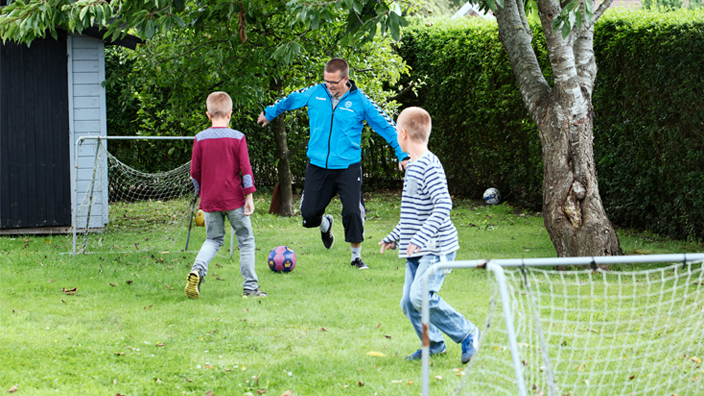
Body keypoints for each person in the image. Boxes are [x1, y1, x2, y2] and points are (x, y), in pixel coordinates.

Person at [257, 58, 409, 270]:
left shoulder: (360, 101)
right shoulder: (315, 92)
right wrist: (269, 113)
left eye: (334, 82)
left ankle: (356, 257)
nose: (329, 86)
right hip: (318, 165)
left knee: (353, 212)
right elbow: (290, 99)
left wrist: (402, 153)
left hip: (348, 166)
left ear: (346, 79)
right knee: (309, 215)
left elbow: (386, 125)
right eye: (326, 81)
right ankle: (325, 224)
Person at [379, 107, 480, 364]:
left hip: (436, 248)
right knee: (408, 303)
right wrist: (395, 237)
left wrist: (419, 239)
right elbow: (414, 214)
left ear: (402, 134)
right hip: (417, 249)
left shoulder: (429, 166)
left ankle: (468, 332)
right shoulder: (412, 166)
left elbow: (443, 206)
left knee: (420, 296)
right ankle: (433, 345)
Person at [185, 91, 267, 299]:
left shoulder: (199, 139)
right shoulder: (238, 137)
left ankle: (197, 270)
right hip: (234, 200)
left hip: (211, 200)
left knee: (213, 239)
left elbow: (194, 172)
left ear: (208, 115)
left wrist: (202, 193)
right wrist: (249, 197)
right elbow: (246, 170)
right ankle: (250, 287)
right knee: (246, 240)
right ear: (230, 114)